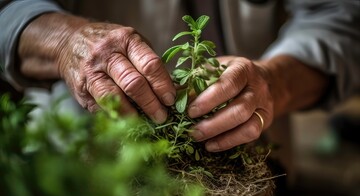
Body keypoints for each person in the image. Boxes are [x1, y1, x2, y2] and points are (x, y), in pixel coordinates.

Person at [0, 0, 359, 153]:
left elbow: (341, 16)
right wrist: (63, 40)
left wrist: (275, 84)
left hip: (257, 159)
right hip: (82, 170)